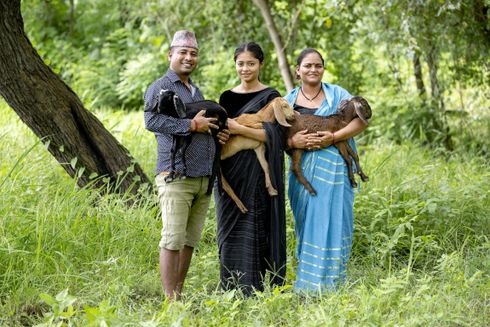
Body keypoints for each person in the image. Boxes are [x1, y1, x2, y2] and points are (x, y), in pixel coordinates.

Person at [144, 30, 228, 300]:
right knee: (172, 239)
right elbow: (152, 121)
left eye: (193, 53)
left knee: (189, 241)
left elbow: (203, 128)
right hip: (176, 175)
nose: (188, 57)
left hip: (203, 177)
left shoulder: (195, 90)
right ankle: (170, 301)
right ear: (170, 55)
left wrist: (216, 131)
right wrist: (192, 124)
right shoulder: (161, 87)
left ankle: (178, 294)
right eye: (183, 52)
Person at [284, 48, 368, 292]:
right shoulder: (287, 101)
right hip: (303, 176)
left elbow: (361, 120)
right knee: (307, 224)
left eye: (318, 65)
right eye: (307, 66)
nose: (313, 69)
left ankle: (333, 283)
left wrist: (334, 137)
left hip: (335, 175)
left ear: (323, 68)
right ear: (297, 70)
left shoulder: (338, 95)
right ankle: (308, 283)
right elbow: (276, 136)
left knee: (335, 223)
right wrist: (292, 143)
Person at [215, 42, 287, 296]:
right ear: (235, 64)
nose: (245, 68)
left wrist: (240, 129)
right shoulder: (226, 97)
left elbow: (277, 136)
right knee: (228, 227)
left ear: (261, 64)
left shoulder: (271, 96)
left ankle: (253, 288)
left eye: (251, 63)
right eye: (240, 63)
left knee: (254, 225)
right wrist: (221, 136)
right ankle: (230, 286)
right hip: (228, 171)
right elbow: (220, 130)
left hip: (256, 173)